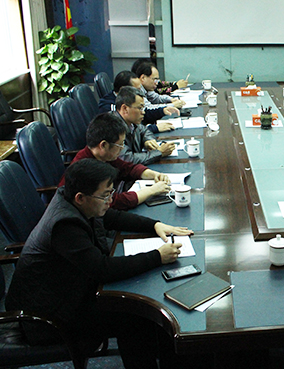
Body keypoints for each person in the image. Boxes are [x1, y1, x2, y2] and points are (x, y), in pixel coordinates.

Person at [6, 158, 193, 368]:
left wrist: (155, 225)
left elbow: (112, 217)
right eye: (105, 195)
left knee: (143, 312)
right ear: (80, 197)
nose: (110, 200)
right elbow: (103, 269)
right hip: (48, 317)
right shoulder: (64, 225)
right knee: (133, 316)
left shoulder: (74, 200)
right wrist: (157, 256)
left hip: (68, 292)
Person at [57, 113, 171, 210]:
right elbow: (115, 202)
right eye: (120, 145)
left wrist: (154, 174)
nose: (122, 148)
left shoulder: (102, 156)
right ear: (103, 145)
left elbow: (127, 168)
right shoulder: (86, 169)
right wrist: (152, 190)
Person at [98, 70, 179, 134]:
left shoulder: (129, 99)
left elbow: (143, 113)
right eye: (137, 89)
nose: (141, 92)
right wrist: (153, 128)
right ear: (123, 90)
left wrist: (162, 111)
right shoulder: (109, 107)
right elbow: (125, 131)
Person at [114, 86, 176, 165]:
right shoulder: (112, 128)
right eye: (140, 108)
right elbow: (127, 159)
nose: (143, 112)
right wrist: (159, 152)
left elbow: (144, 130)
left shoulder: (132, 121)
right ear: (125, 109)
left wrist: (148, 140)